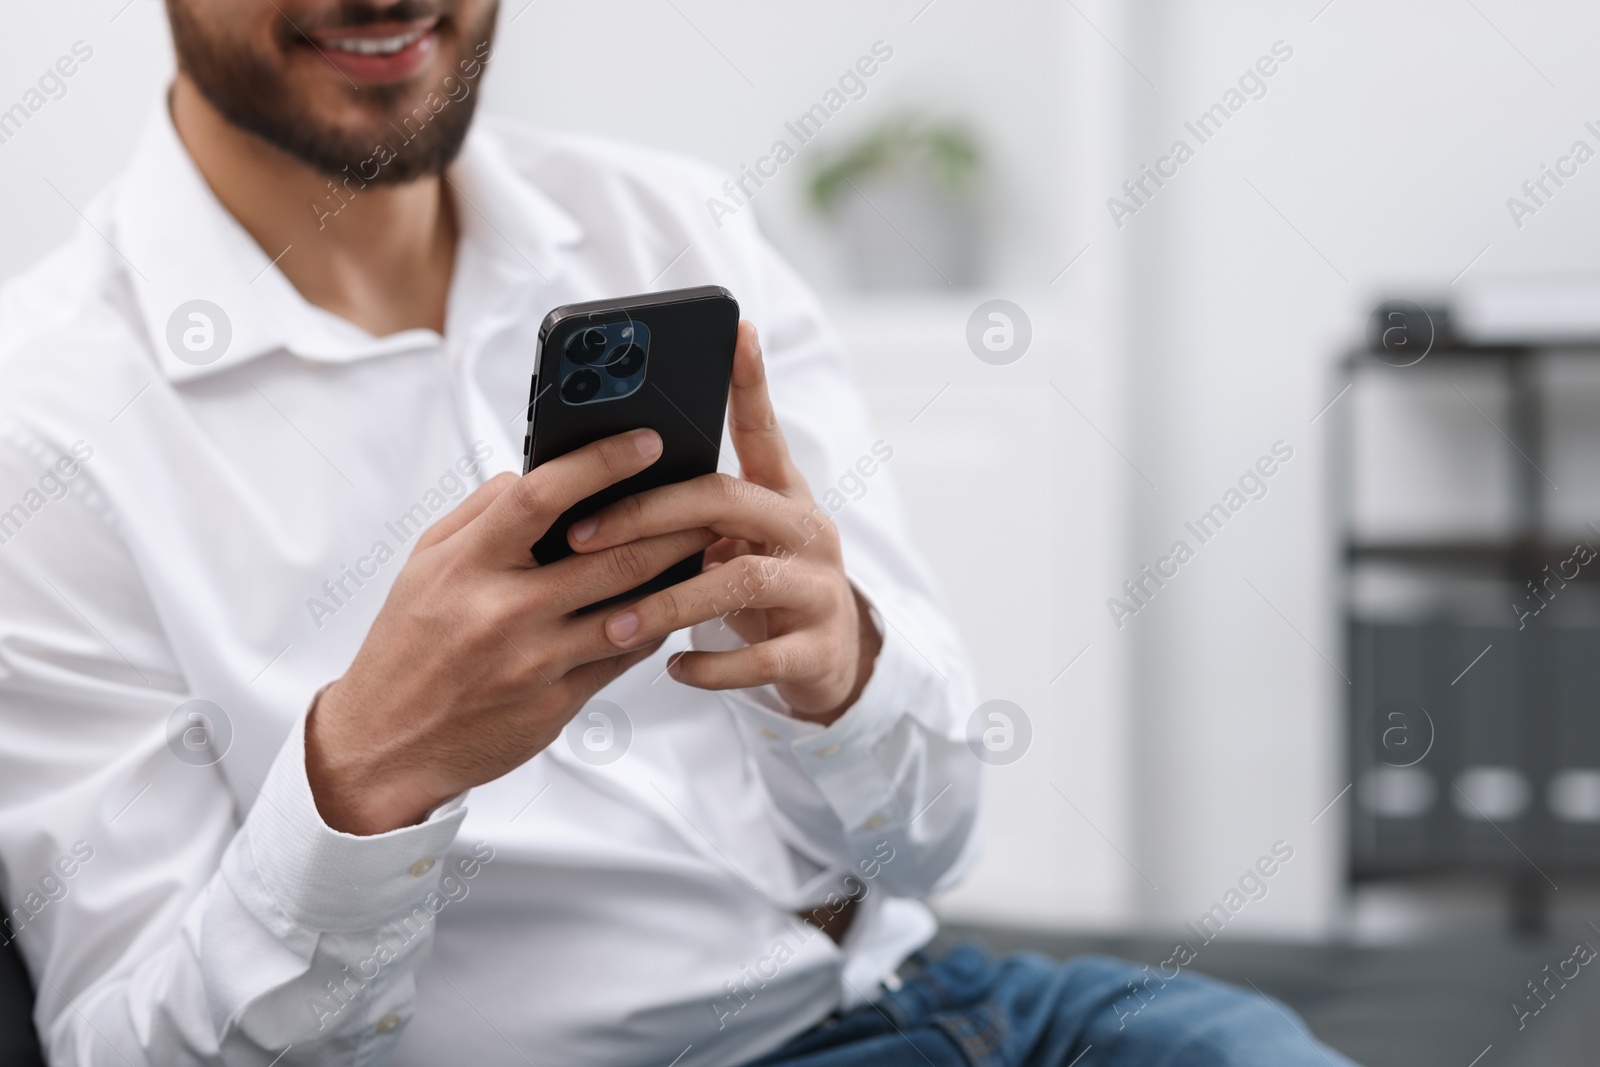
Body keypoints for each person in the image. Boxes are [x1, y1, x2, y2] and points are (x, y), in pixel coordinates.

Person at [0, 2, 1360, 1064]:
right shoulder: (45, 422)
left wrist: (845, 678)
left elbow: (934, 844)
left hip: (962, 1003)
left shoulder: (671, 224)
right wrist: (362, 777)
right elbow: (131, 1045)